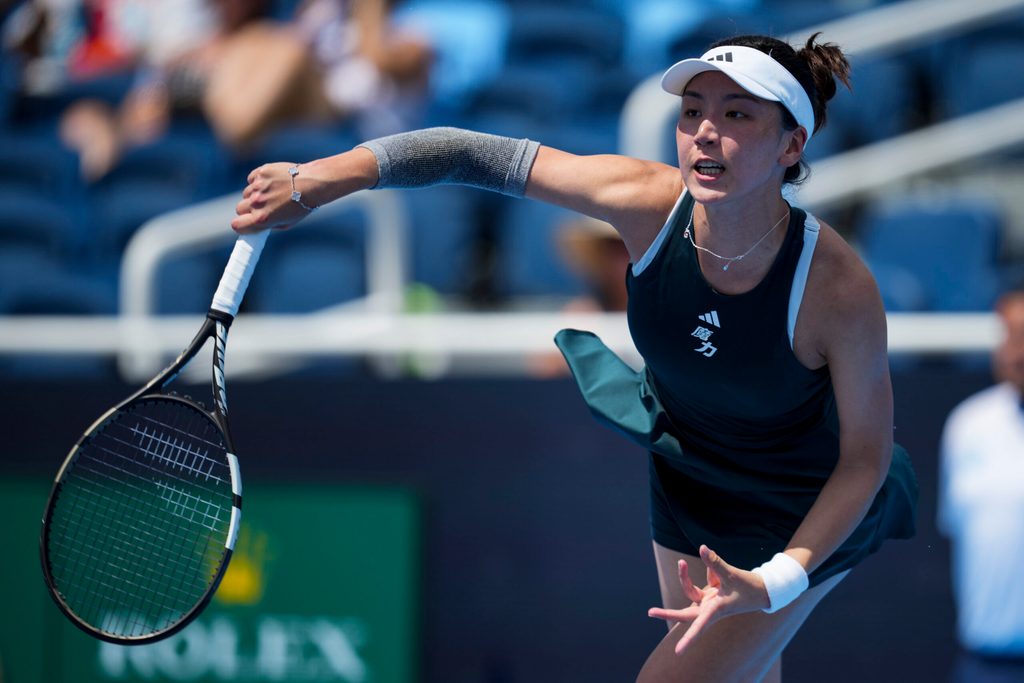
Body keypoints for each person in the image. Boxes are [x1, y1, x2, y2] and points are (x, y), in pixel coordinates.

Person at [231, 32, 918, 682]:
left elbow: (865, 457)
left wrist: (777, 578)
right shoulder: (646, 204)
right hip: (691, 478)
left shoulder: (836, 287)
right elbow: (469, 153)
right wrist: (321, 176)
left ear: (791, 144)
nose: (705, 130)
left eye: (736, 113)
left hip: (807, 503)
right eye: (692, 111)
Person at [939, 287, 1024, 683]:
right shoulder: (968, 424)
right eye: (1008, 335)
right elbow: (955, 528)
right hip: (983, 661)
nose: (1016, 350)